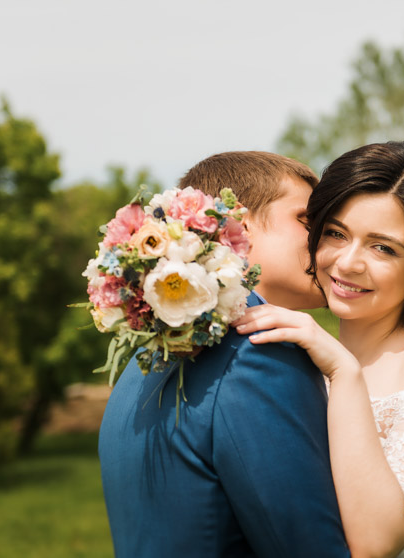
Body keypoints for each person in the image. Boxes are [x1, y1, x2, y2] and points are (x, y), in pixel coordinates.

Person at [98, 152, 352, 557]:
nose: (330, 242)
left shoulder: (146, 360)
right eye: (308, 221)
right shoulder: (260, 354)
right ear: (240, 225)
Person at [233, 140, 404, 558]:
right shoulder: (296, 356)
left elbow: (377, 543)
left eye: (383, 247)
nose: (347, 263)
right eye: (335, 233)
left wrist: (344, 373)